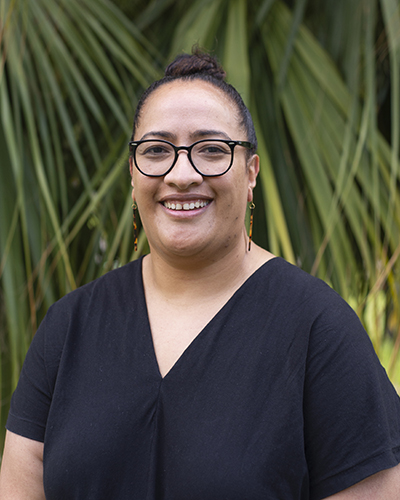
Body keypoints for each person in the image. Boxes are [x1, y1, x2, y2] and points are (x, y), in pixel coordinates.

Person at [1, 49, 400, 500]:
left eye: (212, 150)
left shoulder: (318, 330)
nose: (182, 174)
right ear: (133, 175)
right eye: (157, 150)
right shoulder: (70, 326)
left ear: (251, 173)